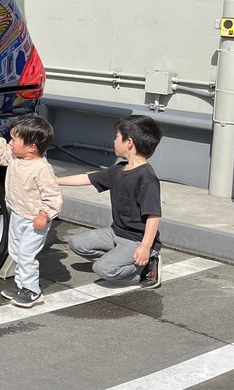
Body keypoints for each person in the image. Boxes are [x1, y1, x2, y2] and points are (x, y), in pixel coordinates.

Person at [57, 115, 163, 289]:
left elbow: (153, 215)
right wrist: (54, 181)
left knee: (103, 269)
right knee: (76, 244)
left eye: (116, 136)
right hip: (116, 233)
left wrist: (145, 246)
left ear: (129, 142)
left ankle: (147, 263)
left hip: (136, 239)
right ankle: (122, 259)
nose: (114, 141)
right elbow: (86, 179)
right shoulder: (119, 170)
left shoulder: (146, 178)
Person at [0, 114, 62, 308]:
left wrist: (44, 214)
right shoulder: (15, 156)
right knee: (15, 251)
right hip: (17, 213)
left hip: (35, 220)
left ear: (32, 147)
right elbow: (2, 151)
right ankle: (21, 285)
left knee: (26, 254)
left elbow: (52, 196)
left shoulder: (41, 169)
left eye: (15, 139)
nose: (10, 143)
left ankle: (32, 291)